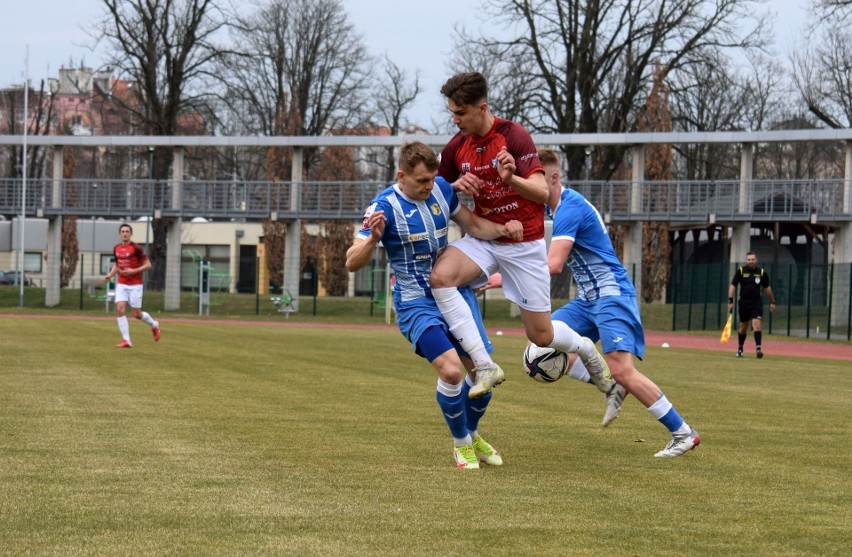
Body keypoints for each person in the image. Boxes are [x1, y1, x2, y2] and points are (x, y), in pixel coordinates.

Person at [429, 71, 616, 402]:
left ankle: (585, 347)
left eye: (460, 113)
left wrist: (511, 178)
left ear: (481, 107)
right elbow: (435, 189)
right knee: (441, 278)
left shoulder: (514, 136)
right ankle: (485, 365)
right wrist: (455, 186)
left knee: (541, 336)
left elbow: (543, 192)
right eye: (452, 113)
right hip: (485, 237)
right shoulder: (458, 146)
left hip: (525, 244)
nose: (455, 120)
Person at [345, 141, 523, 469]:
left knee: (484, 375)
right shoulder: (382, 206)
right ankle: (461, 446)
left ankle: (471, 434)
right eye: (421, 181)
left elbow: (472, 225)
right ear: (401, 176)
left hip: (453, 294)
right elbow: (351, 262)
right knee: (452, 371)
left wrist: (504, 230)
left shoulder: (441, 189)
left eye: (432, 178)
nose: (430, 186)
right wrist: (372, 239)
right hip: (416, 305)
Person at [542, 148, 700, 457]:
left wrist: (504, 278)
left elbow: (552, 265)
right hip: (588, 299)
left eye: (535, 179)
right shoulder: (552, 211)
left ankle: (683, 433)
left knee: (623, 370)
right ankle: (611, 385)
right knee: (542, 343)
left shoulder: (569, 208)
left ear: (553, 177)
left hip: (611, 295)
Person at [104, 223, 160, 348]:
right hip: (122, 283)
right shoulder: (117, 248)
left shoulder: (136, 248)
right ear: (120, 234)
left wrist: (133, 271)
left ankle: (154, 325)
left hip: (135, 284)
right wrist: (110, 275)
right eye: (123, 231)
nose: (125, 233)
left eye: (127, 231)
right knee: (120, 309)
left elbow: (148, 265)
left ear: (131, 234)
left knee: (137, 314)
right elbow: (118, 265)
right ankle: (126, 340)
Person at [728, 252, 776, 358]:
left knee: (757, 324)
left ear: (756, 260)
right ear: (746, 260)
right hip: (744, 303)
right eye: (749, 259)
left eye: (753, 259)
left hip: (756, 302)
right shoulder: (741, 271)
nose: (751, 261)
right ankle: (740, 348)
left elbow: (767, 288)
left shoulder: (761, 272)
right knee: (743, 327)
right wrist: (730, 301)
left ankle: (758, 349)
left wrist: (772, 301)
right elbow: (733, 286)